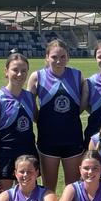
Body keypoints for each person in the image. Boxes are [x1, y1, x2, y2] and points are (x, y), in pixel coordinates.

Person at [27, 39, 84, 192]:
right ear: (47, 57)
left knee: (72, 189)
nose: (58, 61)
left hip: (73, 138)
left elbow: (82, 105)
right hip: (48, 139)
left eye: (63, 57)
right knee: (48, 188)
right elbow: (29, 106)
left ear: (68, 57)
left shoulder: (77, 75)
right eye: (54, 57)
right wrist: (42, 120)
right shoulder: (37, 76)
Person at [0, 53, 38, 191]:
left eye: (24, 71)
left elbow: (40, 120)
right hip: (5, 156)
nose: (19, 74)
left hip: (28, 155)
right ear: (6, 71)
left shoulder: (30, 98)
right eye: (15, 70)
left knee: (28, 198)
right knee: (3, 199)